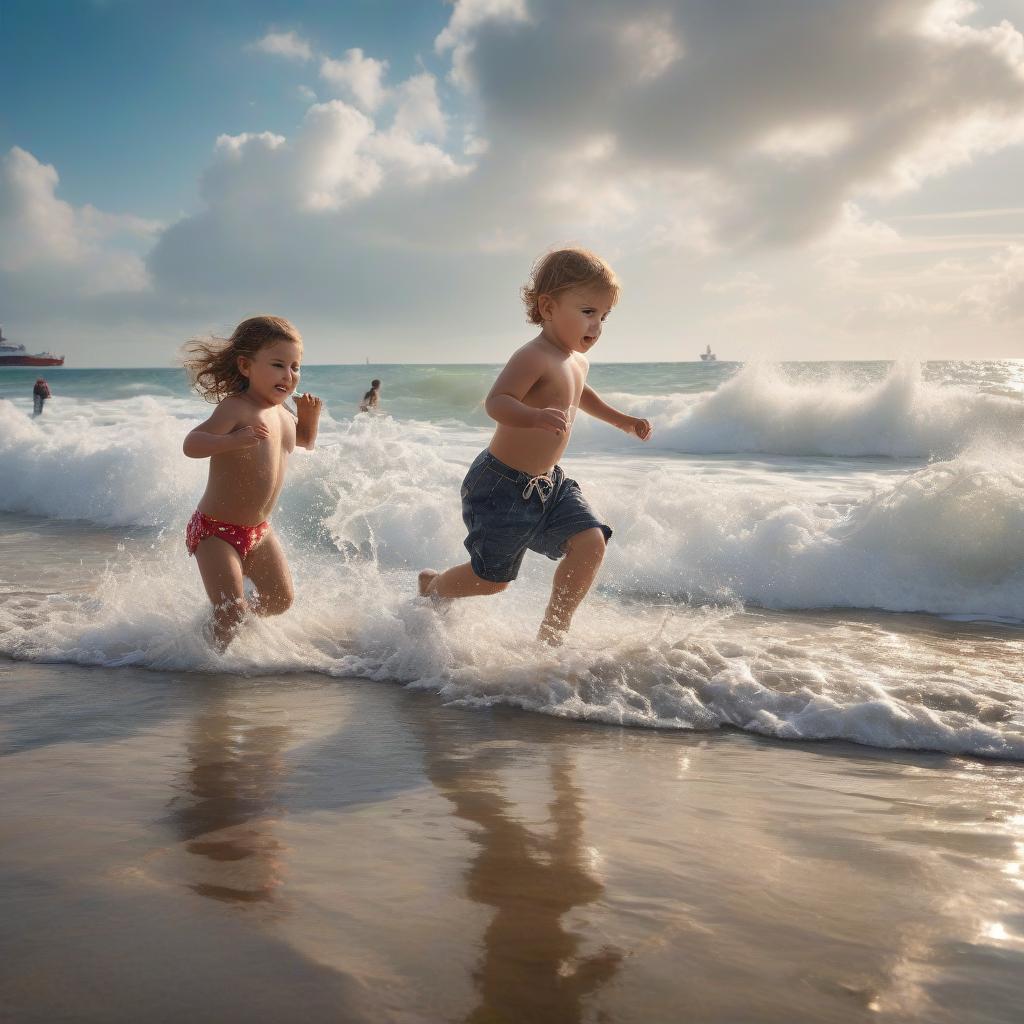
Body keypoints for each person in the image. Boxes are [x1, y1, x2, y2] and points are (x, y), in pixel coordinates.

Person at [418, 247, 652, 644]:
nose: (596, 325)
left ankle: (552, 633)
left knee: (591, 542)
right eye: (586, 311)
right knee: (490, 581)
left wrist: (622, 420)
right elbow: (497, 401)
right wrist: (532, 416)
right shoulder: (533, 356)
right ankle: (434, 586)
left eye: (603, 316)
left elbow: (581, 395)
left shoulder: (576, 361)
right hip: (500, 486)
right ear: (547, 307)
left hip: (550, 484)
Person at [181, 315, 322, 650]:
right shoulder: (236, 409)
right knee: (230, 611)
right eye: (278, 365)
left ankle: (233, 628)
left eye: (295, 367)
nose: (289, 376)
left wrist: (310, 419)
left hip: (258, 531)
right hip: (215, 530)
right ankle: (200, 663)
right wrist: (233, 440)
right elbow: (192, 444)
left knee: (280, 601)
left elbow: (303, 441)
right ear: (245, 366)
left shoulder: (285, 414)